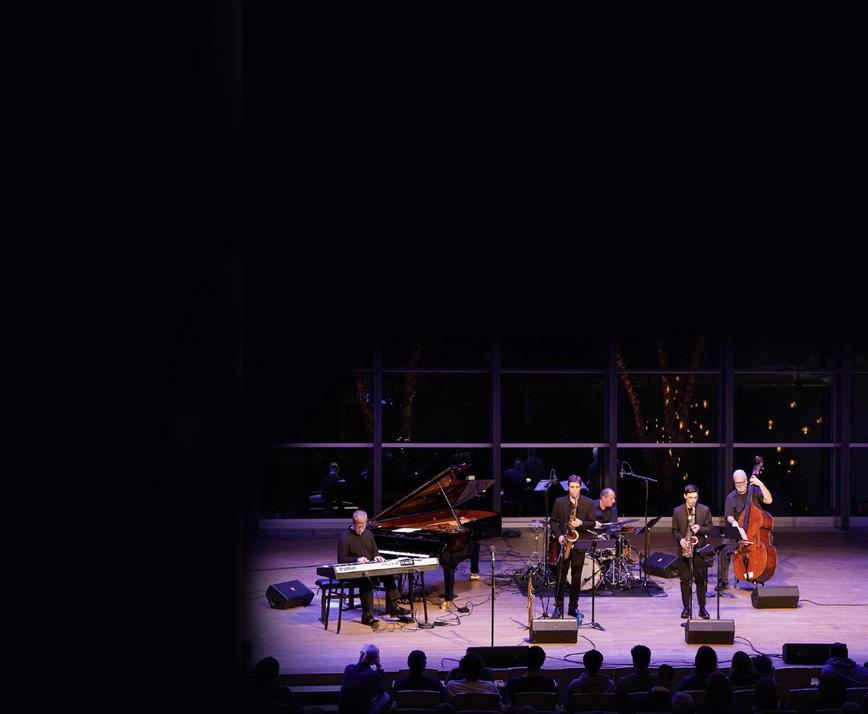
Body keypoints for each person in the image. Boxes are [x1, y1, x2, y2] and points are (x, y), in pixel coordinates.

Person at [338, 510, 410, 626]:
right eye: (358, 526)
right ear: (353, 523)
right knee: (366, 580)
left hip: (370, 569)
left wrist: (377, 557)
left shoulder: (368, 534)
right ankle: (367, 616)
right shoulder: (345, 537)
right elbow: (341, 559)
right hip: (354, 573)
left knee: (388, 573)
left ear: (366, 523)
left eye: (363, 526)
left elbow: (375, 551)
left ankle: (394, 607)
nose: (360, 529)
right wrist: (357, 560)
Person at [549, 475, 597, 619]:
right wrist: (559, 536)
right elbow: (553, 521)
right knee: (560, 577)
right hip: (564, 543)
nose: (574, 490)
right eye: (571, 487)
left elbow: (592, 523)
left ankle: (573, 607)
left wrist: (580, 523)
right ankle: (558, 607)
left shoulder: (588, 503)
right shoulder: (559, 502)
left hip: (579, 543)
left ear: (580, 487)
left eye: (577, 487)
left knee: (576, 578)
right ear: (568, 487)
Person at [723, 468, 772, 587]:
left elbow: (769, 500)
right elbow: (728, 515)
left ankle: (758, 573)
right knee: (724, 548)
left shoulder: (754, 490)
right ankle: (723, 581)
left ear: (746, 481)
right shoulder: (731, 497)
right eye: (737, 483)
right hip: (738, 529)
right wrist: (734, 522)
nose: (740, 485)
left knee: (767, 544)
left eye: (742, 482)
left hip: (755, 531)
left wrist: (760, 484)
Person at [672, 484, 713, 619]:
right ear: (685, 496)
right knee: (685, 580)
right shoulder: (677, 511)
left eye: (695, 498)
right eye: (690, 498)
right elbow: (675, 531)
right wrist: (680, 540)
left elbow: (710, 528)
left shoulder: (705, 510)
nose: (693, 501)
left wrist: (699, 528)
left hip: (699, 550)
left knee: (701, 580)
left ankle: (702, 608)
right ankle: (686, 607)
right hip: (684, 549)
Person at [339, 643, 390, 714]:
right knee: (386, 696)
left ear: (361, 654)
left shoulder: (348, 668)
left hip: (344, 711)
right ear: (375, 660)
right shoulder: (373, 675)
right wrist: (379, 667)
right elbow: (381, 690)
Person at [615, 644, 654, 713]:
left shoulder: (624, 682)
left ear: (634, 662)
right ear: (649, 661)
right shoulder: (657, 682)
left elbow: (619, 707)